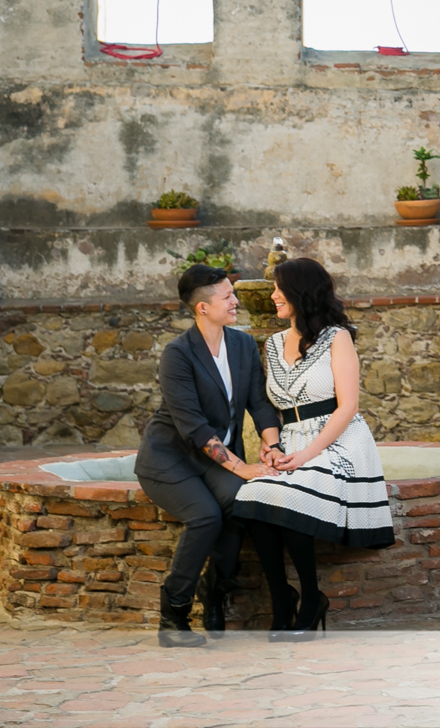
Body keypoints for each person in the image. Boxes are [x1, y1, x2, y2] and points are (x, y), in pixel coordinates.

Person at [233, 257, 394, 638]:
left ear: (301, 293)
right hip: (290, 439)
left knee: (293, 493)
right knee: (255, 498)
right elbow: (269, 407)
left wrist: (306, 455)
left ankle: (310, 598)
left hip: (338, 440)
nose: (273, 295)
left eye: (279, 288)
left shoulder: (338, 337)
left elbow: (348, 406)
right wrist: (271, 446)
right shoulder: (272, 344)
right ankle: (280, 600)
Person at [134, 263, 284, 647]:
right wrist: (242, 467)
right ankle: (173, 617)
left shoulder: (242, 345)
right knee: (205, 515)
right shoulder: (177, 355)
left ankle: (215, 592)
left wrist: (273, 444)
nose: (235, 301)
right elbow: (195, 429)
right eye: (227, 296)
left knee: (240, 503)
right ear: (203, 307)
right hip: (170, 459)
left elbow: (259, 401)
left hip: (209, 459)